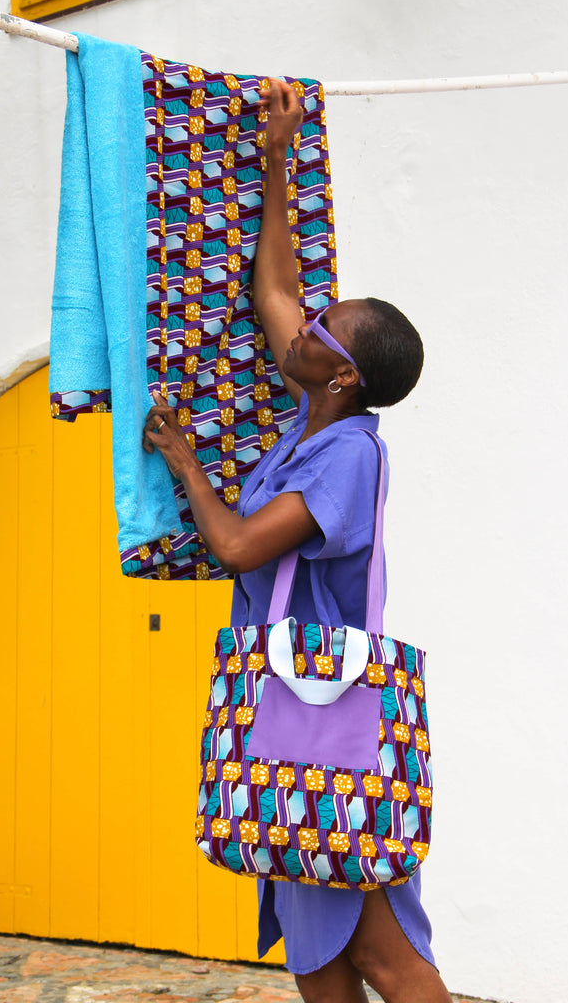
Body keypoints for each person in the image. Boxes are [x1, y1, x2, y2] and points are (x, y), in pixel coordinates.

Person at [143, 79, 452, 1003]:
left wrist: (185, 463)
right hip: (293, 721)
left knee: (382, 956)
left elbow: (240, 549)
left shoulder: (347, 456)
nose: (304, 322)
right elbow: (273, 285)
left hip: (325, 719)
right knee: (316, 959)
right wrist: (274, 158)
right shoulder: (309, 417)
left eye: (322, 327)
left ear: (344, 371)